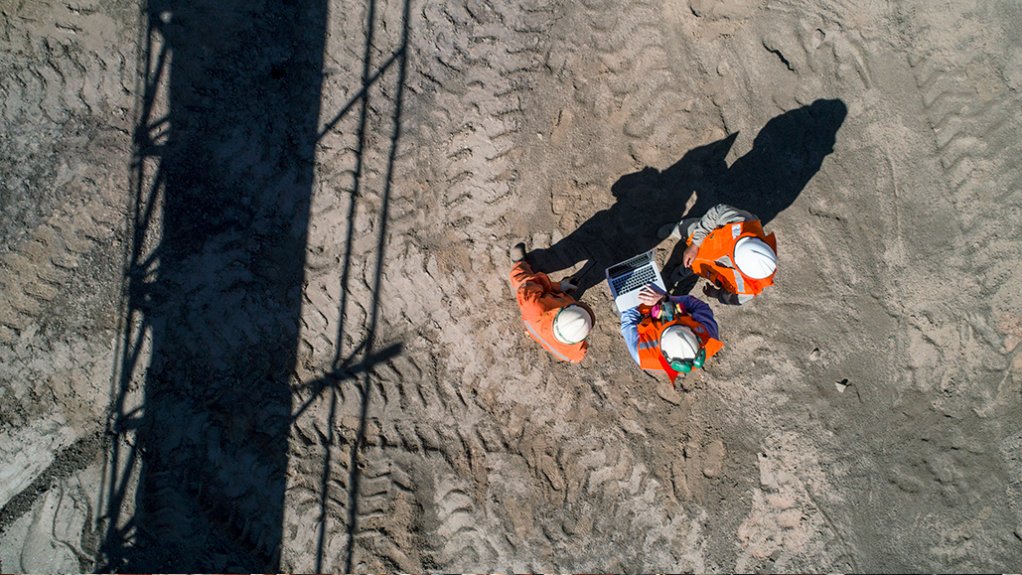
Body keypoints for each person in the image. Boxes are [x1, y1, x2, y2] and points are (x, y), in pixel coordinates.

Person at [659, 203, 777, 305]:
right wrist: (695, 245)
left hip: (708, 269)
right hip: (704, 241)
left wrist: (716, 294)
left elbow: (734, 299)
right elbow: (716, 212)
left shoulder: (749, 287)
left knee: (693, 267)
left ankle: (683, 271)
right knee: (689, 228)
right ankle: (677, 229)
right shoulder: (743, 222)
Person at [509, 242, 595, 363]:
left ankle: (518, 264)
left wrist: (559, 287)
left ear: (560, 311)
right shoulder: (575, 354)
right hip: (541, 330)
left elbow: (530, 283)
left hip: (536, 323)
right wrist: (560, 287)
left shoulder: (533, 304)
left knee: (522, 279)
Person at [620, 285, 723, 384]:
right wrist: (665, 298)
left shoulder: (642, 353)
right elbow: (700, 306)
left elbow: (628, 321)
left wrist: (635, 299)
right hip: (665, 299)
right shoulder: (709, 336)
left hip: (644, 311)